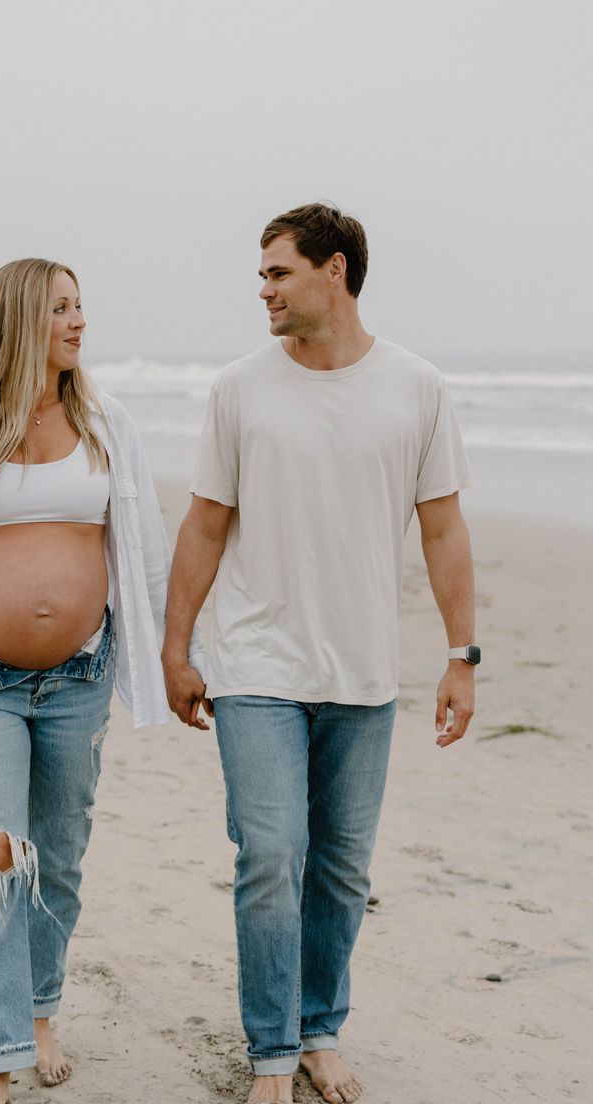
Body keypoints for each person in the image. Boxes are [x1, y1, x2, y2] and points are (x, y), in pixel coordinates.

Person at [162, 204, 478, 1104]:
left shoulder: (416, 386)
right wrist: (176, 648)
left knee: (341, 867)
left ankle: (319, 1028)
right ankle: (270, 1052)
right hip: (256, 665)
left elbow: (444, 527)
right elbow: (204, 523)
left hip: (363, 673)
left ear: (333, 272)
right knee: (270, 852)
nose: (262, 289)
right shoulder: (239, 387)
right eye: (261, 275)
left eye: (277, 273)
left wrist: (463, 654)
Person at [0, 258, 204, 1104]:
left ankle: (39, 1010)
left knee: (58, 862)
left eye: (79, 306)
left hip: (79, 680)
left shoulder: (108, 423)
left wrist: (179, 659)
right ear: (19, 321)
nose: (77, 321)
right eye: (59, 308)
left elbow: (145, 553)